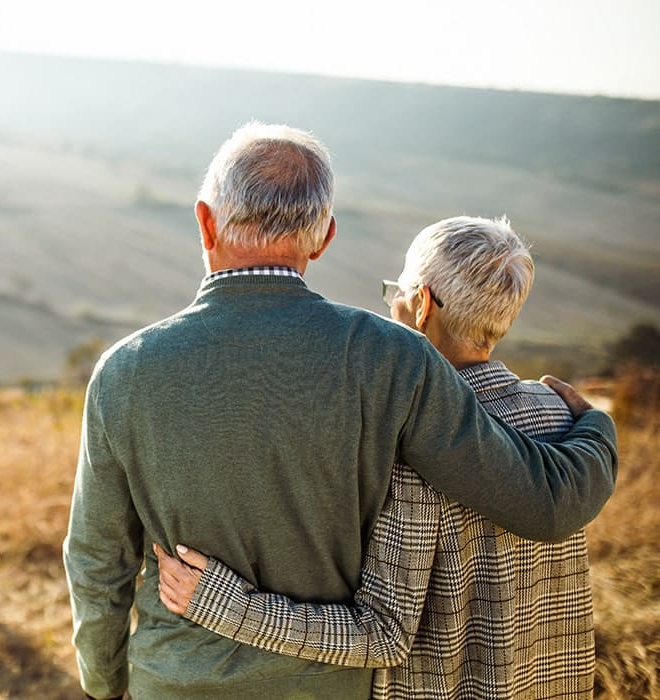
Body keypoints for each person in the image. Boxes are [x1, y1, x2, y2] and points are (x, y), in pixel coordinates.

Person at [62, 123, 618, 700]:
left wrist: (104, 683)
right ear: (323, 237)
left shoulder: (124, 371)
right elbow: (539, 501)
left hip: (174, 681)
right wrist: (595, 425)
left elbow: (98, 559)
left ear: (205, 221)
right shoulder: (392, 357)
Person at [155, 216, 597, 698]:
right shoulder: (560, 415)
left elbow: (383, 635)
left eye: (397, 293)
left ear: (422, 305)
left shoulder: (409, 443)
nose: (391, 307)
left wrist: (227, 606)